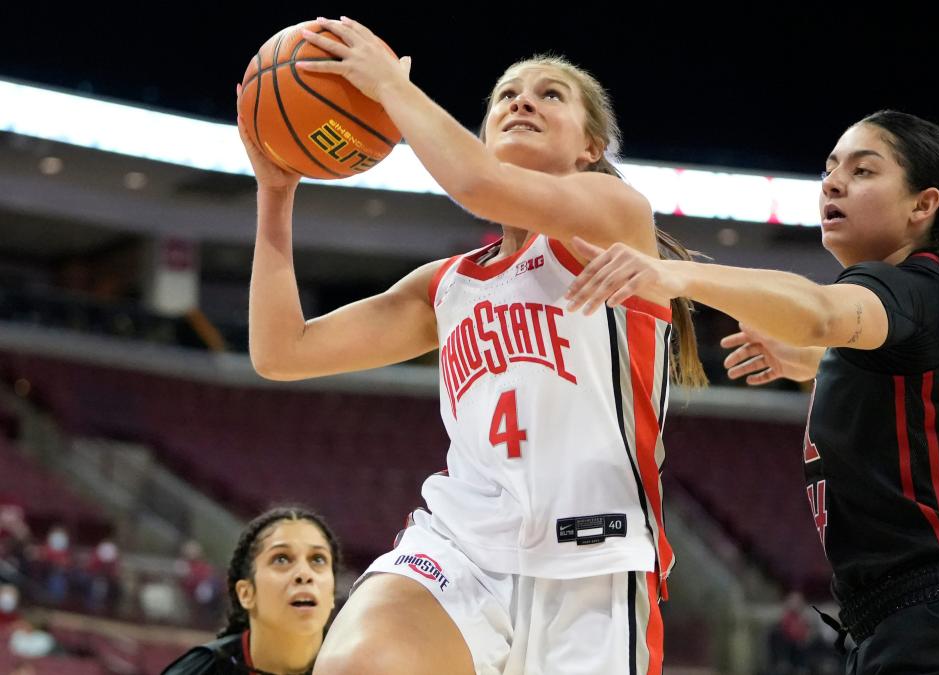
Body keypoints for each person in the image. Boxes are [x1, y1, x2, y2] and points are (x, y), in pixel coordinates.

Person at [567, 111, 939, 674]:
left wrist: (672, 275)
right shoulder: (908, 313)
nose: (832, 182)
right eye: (830, 169)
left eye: (862, 170)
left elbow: (820, 313)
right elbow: (869, 367)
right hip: (910, 624)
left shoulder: (909, 287)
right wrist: (810, 361)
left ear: (922, 206)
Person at [237, 17, 704, 675]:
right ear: (483, 133)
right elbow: (281, 349)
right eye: (507, 95)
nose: (522, 101)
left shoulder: (616, 217)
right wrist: (277, 189)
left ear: (590, 147)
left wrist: (388, 89)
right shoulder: (449, 285)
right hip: (462, 547)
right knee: (355, 664)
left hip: (594, 567)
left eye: (550, 95)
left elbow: (475, 184)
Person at [161, 507, 339, 675]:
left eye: (318, 559)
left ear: (332, 593)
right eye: (282, 559)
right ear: (246, 593)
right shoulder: (200, 670)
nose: (304, 574)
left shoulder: (359, 665)